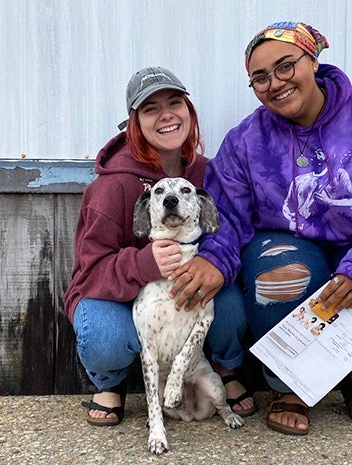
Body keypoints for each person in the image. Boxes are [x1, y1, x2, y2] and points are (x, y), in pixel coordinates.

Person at [170, 22, 352, 435]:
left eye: (285, 67)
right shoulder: (246, 141)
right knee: (280, 278)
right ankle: (288, 386)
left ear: (312, 60)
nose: (275, 83)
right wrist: (216, 256)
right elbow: (224, 212)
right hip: (290, 244)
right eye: (260, 78)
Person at [63, 66, 256, 427]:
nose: (166, 115)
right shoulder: (113, 186)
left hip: (185, 293)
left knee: (229, 303)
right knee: (105, 336)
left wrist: (215, 263)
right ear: (134, 123)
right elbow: (89, 271)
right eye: (151, 109)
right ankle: (111, 382)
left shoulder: (206, 174)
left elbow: (229, 227)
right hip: (118, 297)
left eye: (175, 103)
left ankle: (223, 369)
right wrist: (143, 263)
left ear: (189, 112)